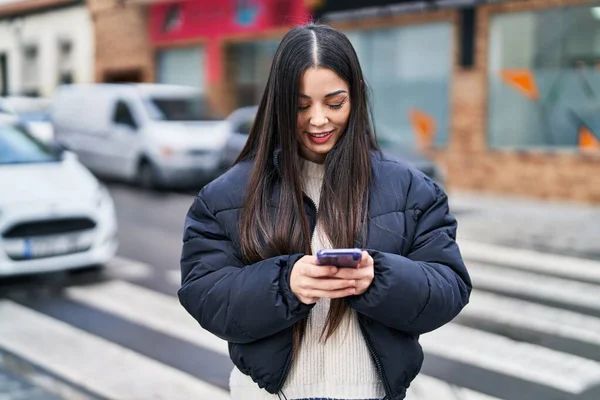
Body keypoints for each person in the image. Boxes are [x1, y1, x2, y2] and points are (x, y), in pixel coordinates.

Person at [179, 23, 471, 400]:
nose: (319, 120)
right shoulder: (223, 197)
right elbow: (205, 294)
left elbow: (449, 287)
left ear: (356, 98)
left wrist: (377, 278)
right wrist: (285, 284)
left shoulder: (413, 190)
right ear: (278, 104)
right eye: (301, 106)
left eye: (335, 103)